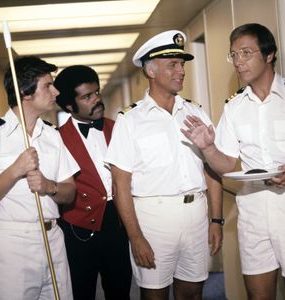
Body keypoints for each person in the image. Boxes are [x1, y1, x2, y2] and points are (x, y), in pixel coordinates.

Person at [182, 23, 285, 299]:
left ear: (269, 55)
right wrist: (208, 148)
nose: (239, 62)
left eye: (246, 53)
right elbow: (228, 166)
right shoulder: (234, 106)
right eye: (234, 55)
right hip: (252, 211)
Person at [105, 30, 223, 300]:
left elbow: (212, 169)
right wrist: (135, 237)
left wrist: (215, 220)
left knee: (193, 292)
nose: (181, 71)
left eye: (182, 64)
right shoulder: (130, 119)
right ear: (150, 70)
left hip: (196, 214)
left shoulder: (196, 112)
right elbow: (120, 184)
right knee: (154, 294)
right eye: (173, 64)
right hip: (153, 219)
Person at [0, 56, 79, 300]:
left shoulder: (52, 136)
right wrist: (15, 170)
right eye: (48, 85)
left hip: (53, 239)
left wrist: (49, 186)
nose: (56, 91)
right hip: (13, 244)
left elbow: (70, 192)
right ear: (25, 93)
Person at [54, 65, 132, 300]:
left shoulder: (118, 128)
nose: (97, 100)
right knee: (81, 292)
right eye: (87, 97)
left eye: (96, 93)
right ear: (69, 105)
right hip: (79, 228)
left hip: (118, 222)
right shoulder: (57, 138)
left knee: (120, 291)